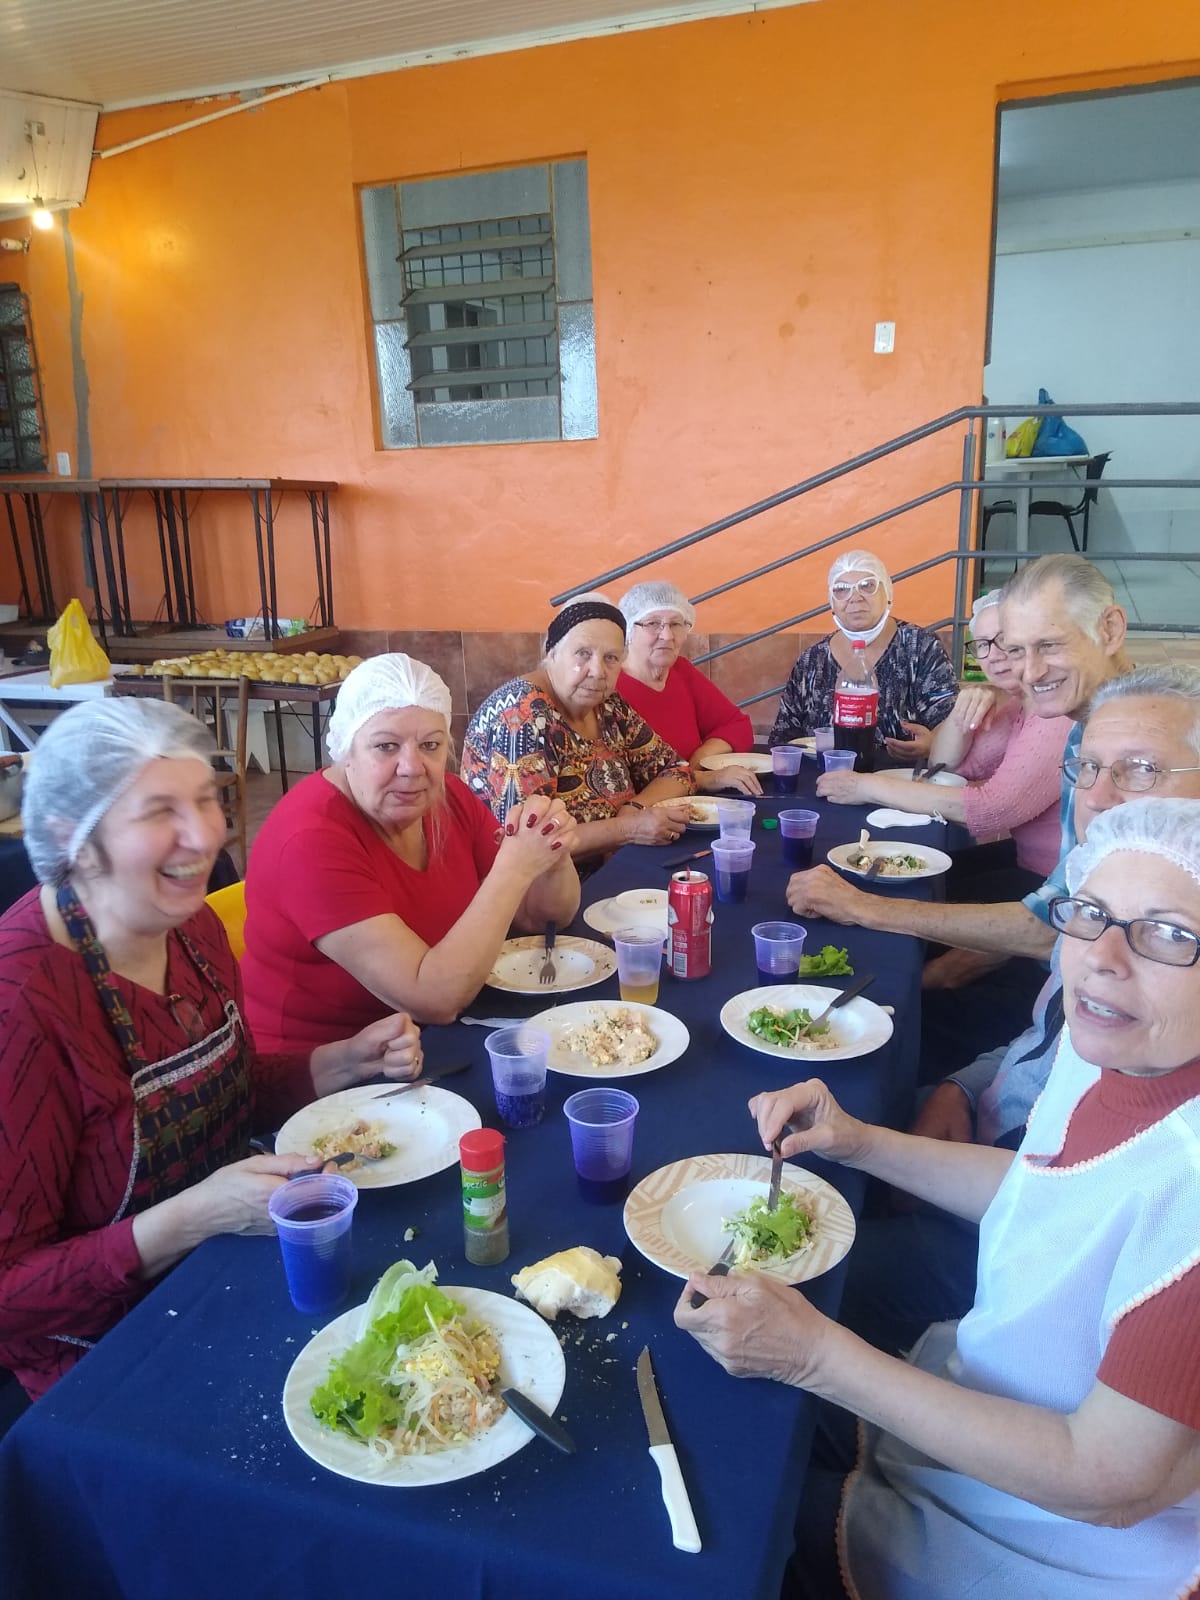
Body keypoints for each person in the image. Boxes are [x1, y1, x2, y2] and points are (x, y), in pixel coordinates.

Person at [678, 797, 1200, 1600]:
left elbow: (1106, 1480)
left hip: (1054, 1544)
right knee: (713, 1408)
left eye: (1169, 934)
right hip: (982, 1409)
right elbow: (1048, 1196)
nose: (1102, 958)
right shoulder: (1117, 1050)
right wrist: (859, 1141)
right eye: (1091, 913)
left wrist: (820, 1354)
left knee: (721, 1528)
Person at [0, 699, 423, 1401]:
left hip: (229, 1254)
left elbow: (219, 1088)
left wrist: (340, 1062)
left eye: (206, 798)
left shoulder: (190, 927)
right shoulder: (21, 1003)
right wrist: (192, 1218)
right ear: (69, 835)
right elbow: (11, 1293)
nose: (204, 836)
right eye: (159, 810)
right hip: (106, 1353)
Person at [838, 663, 1200, 1357]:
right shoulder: (1100, 901)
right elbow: (1046, 1050)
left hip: (1019, 1240)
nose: (1097, 797)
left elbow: (1101, 1464)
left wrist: (820, 1359)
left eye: (1142, 770)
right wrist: (962, 1086)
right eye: (1086, 767)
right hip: (1010, 1153)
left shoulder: (1159, 1037)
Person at [787, 553, 1132, 1074]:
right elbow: (948, 766)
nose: (1027, 669)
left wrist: (864, 909)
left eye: (1048, 645)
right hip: (1060, 949)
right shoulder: (1083, 721)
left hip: (1079, 996)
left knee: (883, 1019)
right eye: (1013, 648)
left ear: (1109, 629)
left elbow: (1046, 927)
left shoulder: (1133, 747)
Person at [242, 653, 580, 1045]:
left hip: (430, 1040)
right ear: (345, 750)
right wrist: (517, 868)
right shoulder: (310, 840)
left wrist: (550, 849)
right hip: (328, 1073)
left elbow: (545, 917)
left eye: (430, 745)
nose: (411, 767)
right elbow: (434, 999)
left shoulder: (448, 798)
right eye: (386, 746)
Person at [815, 589, 1071, 886]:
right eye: (983, 645)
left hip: (1060, 883)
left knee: (900, 890)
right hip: (1030, 860)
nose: (996, 656)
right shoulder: (1019, 703)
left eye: (1005, 640)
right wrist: (962, 709)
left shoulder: (1055, 714)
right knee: (908, 880)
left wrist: (866, 786)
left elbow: (991, 810)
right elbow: (946, 767)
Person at [460, 596, 694, 857]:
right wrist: (627, 829)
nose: (597, 671)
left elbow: (676, 771)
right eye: (583, 654)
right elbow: (527, 843)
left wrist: (635, 808)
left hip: (614, 866)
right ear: (552, 653)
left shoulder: (608, 705)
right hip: (552, 890)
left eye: (611, 658)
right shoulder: (522, 717)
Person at [767, 549, 957, 761]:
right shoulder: (812, 661)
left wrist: (933, 744)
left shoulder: (919, 647)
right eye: (841, 589)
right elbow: (783, 736)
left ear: (888, 593)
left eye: (867, 586)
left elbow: (948, 720)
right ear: (832, 602)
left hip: (899, 780)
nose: (855, 598)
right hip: (824, 779)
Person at [614, 580, 761, 796]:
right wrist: (702, 777)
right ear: (628, 630)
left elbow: (736, 725)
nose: (667, 635)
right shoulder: (611, 687)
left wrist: (697, 762)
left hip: (695, 801)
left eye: (676, 624)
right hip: (646, 815)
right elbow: (628, 776)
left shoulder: (681, 671)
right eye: (653, 623)